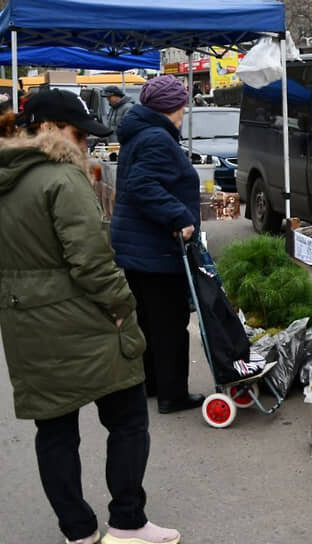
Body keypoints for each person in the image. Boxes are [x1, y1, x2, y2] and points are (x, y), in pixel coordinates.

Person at [0, 89, 181, 544]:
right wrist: (123, 307)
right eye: (78, 133)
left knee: (55, 431)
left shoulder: (7, 177)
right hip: (86, 317)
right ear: (48, 129)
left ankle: (77, 532)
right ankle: (127, 522)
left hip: (25, 320)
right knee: (128, 419)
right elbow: (92, 261)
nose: (85, 144)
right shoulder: (61, 178)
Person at [111, 75, 203, 414]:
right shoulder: (156, 138)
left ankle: (152, 383)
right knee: (169, 323)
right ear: (170, 108)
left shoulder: (141, 134)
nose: (185, 110)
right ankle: (172, 394)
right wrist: (179, 217)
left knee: (149, 320)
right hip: (156, 247)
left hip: (138, 245)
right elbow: (142, 185)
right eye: (181, 104)